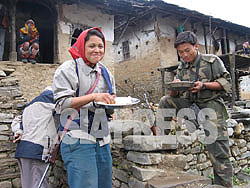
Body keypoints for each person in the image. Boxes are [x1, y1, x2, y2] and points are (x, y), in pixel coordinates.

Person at [157, 31, 233, 187]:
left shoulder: (212, 61)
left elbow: (227, 83)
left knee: (218, 152)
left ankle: (224, 185)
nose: (184, 55)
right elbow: (174, 94)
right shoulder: (181, 66)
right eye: (180, 52)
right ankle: (162, 143)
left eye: (187, 51)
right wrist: (175, 85)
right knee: (165, 101)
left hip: (210, 106)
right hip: (189, 106)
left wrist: (204, 85)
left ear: (196, 46)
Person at [52, 27, 116, 188]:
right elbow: (62, 103)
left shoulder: (106, 73)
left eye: (100, 46)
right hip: (76, 133)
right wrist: (94, 97)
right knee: (84, 184)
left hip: (101, 134)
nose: (97, 50)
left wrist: (110, 106)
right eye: (92, 46)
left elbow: (110, 101)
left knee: (105, 183)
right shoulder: (69, 69)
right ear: (82, 46)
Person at [11, 87, 57, 188]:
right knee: (38, 184)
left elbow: (17, 120)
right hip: (36, 150)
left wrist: (18, 132)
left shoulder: (30, 105)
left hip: (23, 149)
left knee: (28, 184)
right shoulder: (53, 99)